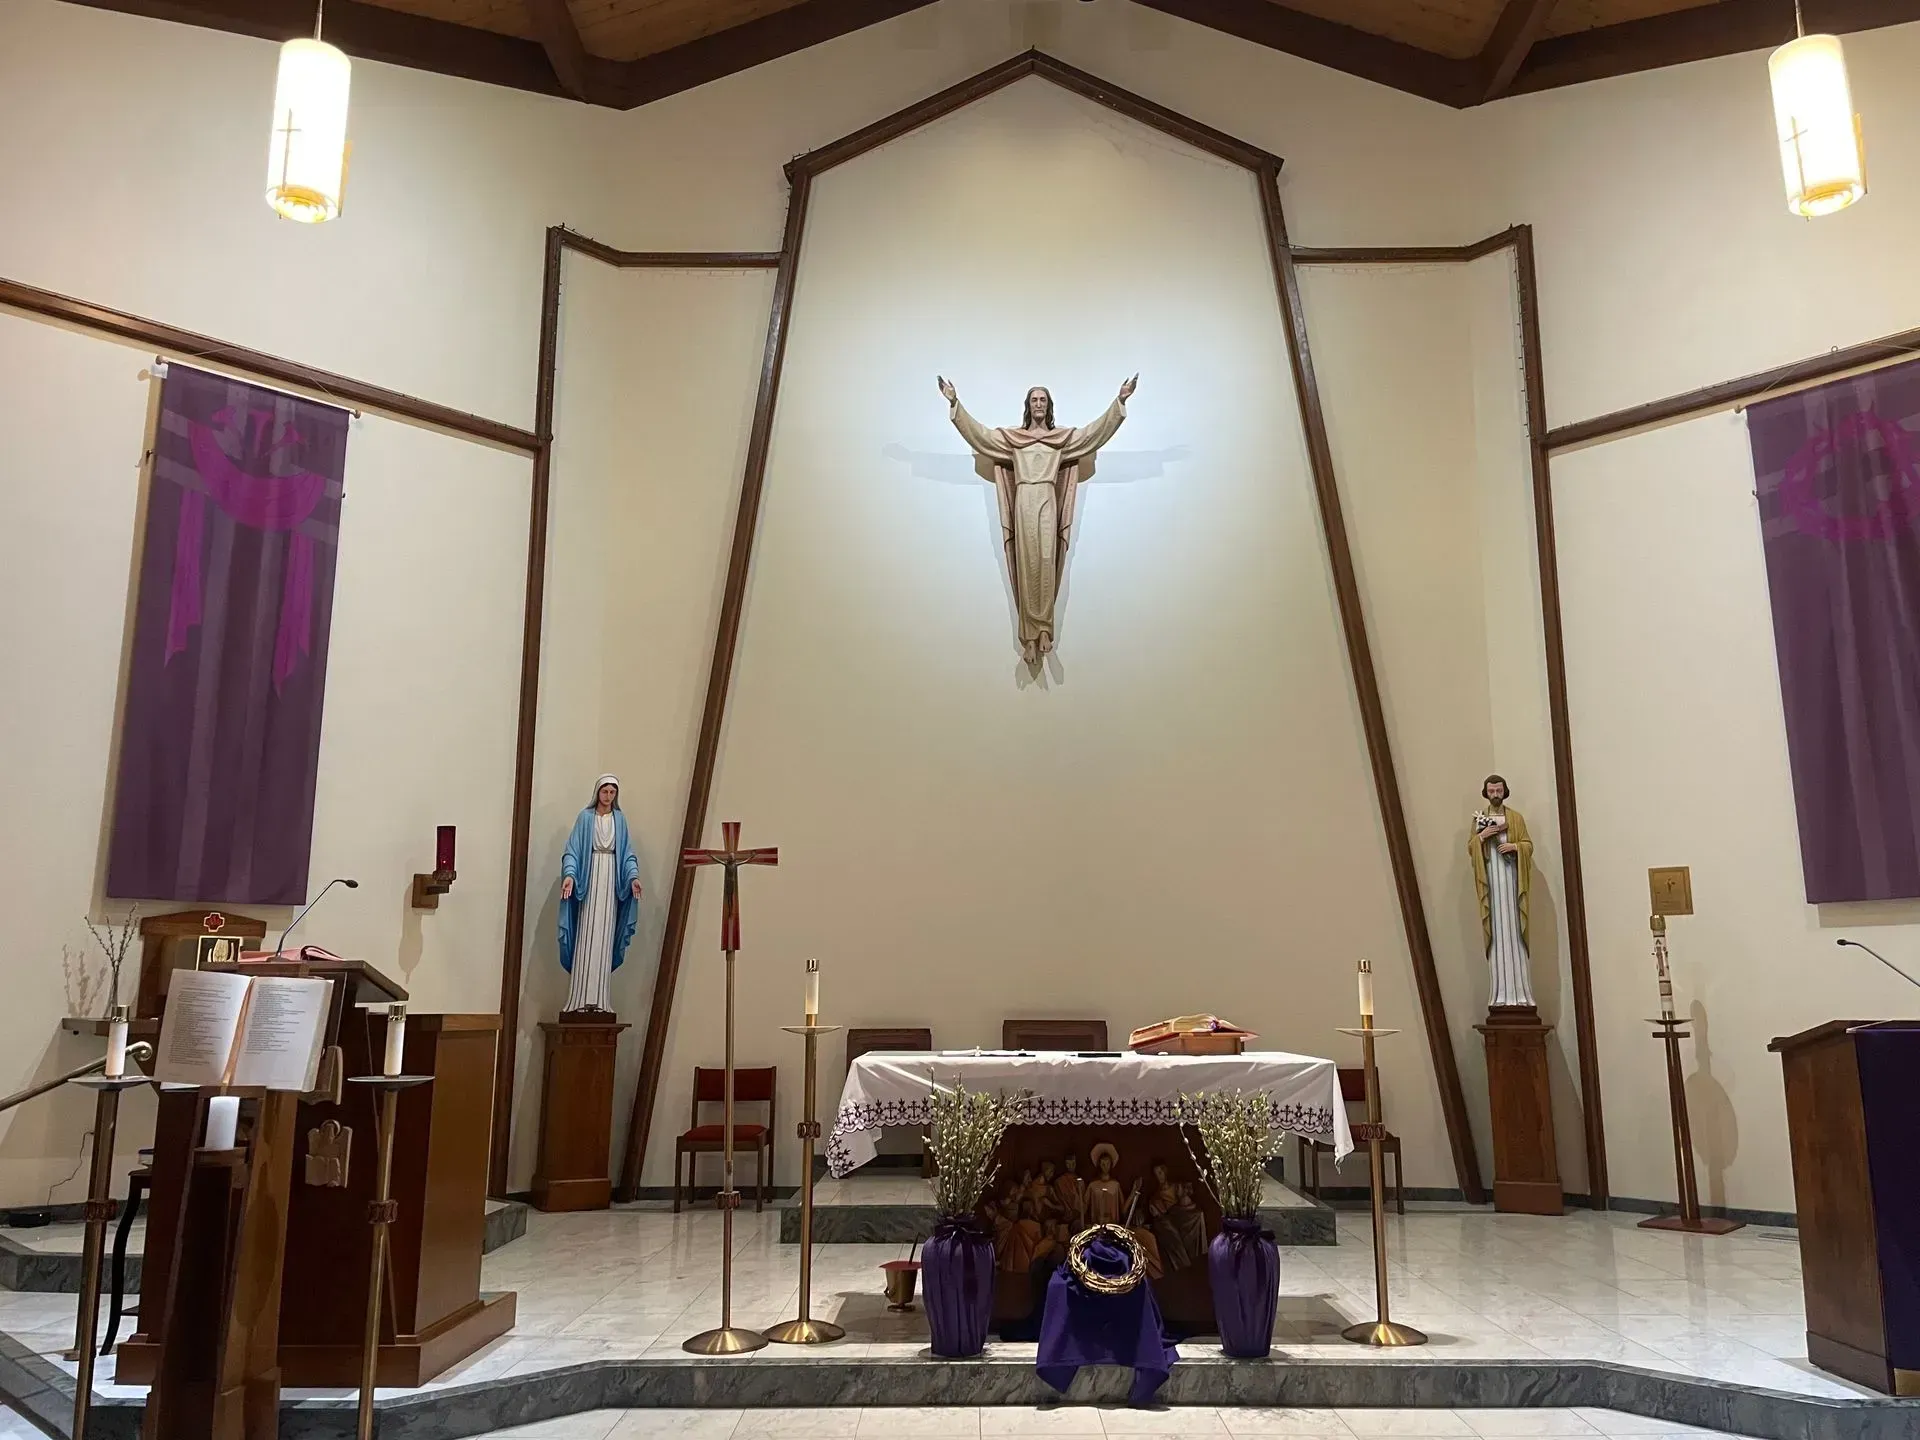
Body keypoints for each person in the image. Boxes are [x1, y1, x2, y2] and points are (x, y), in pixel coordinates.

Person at [940, 375, 1137, 665]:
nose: (1038, 404)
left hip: (1048, 496)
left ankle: (1043, 629)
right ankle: (1028, 636)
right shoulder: (1013, 440)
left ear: (1049, 405)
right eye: (1034, 400)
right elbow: (980, 435)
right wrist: (955, 402)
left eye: (1043, 399)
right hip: (1023, 500)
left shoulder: (1061, 440)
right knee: (1026, 563)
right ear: (1027, 406)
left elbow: (1093, 434)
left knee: (1046, 561)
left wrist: (1119, 401)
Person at [557, 775, 642, 1015]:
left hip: (610, 882)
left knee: (604, 938)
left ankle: (601, 1000)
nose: (608, 797)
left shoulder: (620, 820)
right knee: (587, 935)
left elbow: (627, 855)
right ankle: (579, 999)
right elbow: (572, 851)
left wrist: (633, 877)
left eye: (612, 792)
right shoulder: (586, 818)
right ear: (597, 793)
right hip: (590, 881)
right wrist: (570, 876)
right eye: (604, 792)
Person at [1470, 773, 1536, 1011]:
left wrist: (1515, 846)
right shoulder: (1480, 820)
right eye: (1491, 791)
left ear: (1505, 791)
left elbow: (1528, 845)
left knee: (1515, 932)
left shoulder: (1515, 819)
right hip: (1493, 886)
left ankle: (1520, 992)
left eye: (1499, 791)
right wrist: (1481, 838)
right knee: (1498, 933)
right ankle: (1500, 994)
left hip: (1511, 884)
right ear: (1486, 792)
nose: (1495, 795)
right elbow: (1472, 848)